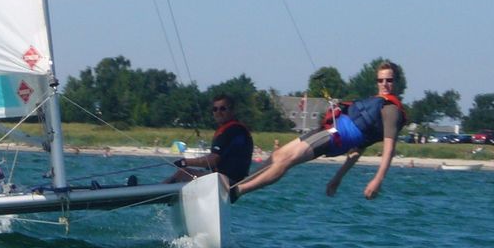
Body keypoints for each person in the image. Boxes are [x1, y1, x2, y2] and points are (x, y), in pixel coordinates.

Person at [232, 61, 407, 201]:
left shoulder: (391, 110)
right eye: (381, 80)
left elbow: (389, 150)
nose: (384, 84)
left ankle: (237, 191)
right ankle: (236, 186)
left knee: (287, 160)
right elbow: (356, 152)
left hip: (334, 138)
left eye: (389, 80)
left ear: (396, 82)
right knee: (278, 155)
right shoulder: (375, 103)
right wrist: (338, 178)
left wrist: (377, 180)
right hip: (327, 130)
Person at [166, 94, 254, 185]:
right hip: (234, 180)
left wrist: (185, 162)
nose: (218, 112)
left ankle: (155, 197)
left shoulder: (231, 131)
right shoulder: (238, 129)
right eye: (215, 109)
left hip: (225, 181)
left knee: (182, 174)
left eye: (222, 109)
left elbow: (213, 160)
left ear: (232, 111)